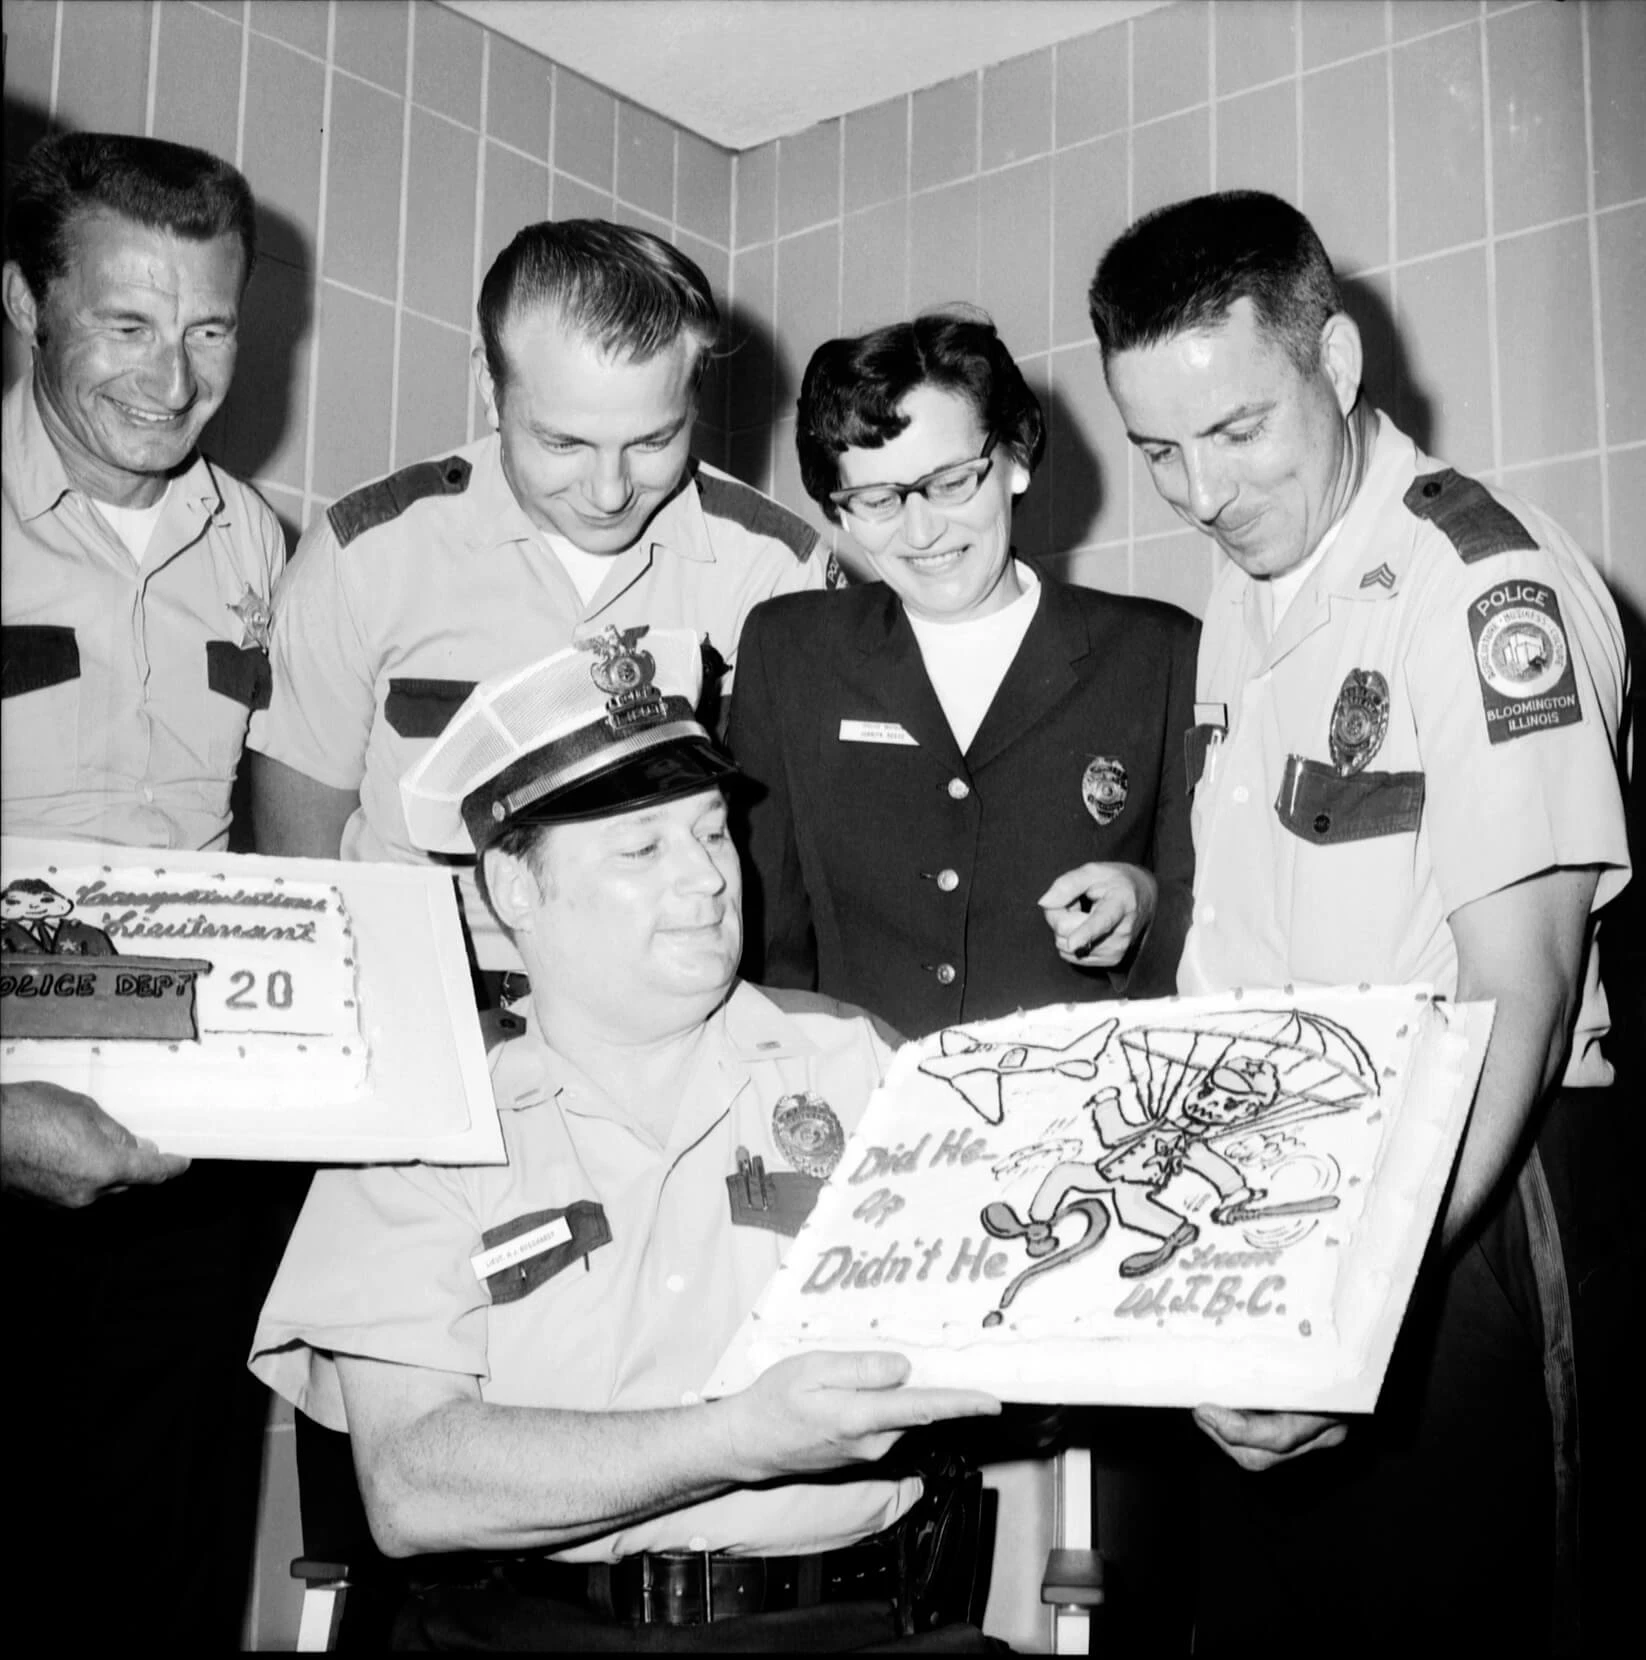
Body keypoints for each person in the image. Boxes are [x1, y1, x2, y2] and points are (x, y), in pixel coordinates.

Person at [1087, 189, 1632, 1652]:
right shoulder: (1247, 588)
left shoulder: (1479, 586)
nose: (1200, 493)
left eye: (1235, 430)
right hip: (1271, 1209)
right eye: (1157, 449)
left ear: (1332, 362)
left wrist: (1357, 1300)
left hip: (1460, 1209)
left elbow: (1518, 994)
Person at [251, 626, 1005, 1651]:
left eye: (711, 833)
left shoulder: (864, 1069)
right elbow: (411, 1482)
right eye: (642, 849)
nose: (708, 878)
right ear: (514, 888)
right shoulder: (429, 1126)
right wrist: (737, 1439)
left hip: (849, 1625)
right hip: (526, 1634)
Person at [249, 219, 832, 989]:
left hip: (670, 1011)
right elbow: (301, 855)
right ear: (490, 388)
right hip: (417, 992)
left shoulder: (775, 569)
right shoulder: (364, 554)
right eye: (564, 444)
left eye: (653, 441)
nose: (609, 491)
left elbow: (795, 872)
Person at [1, 131, 286, 1646]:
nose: (172, 381)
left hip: (188, 1164)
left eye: (210, 330)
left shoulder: (260, 546)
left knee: (159, 1569)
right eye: (126, 322)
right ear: (23, 299)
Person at [729, 310, 1199, 1039]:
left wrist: (1147, 906)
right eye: (877, 500)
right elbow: (768, 945)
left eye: (951, 483)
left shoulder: (1158, 654)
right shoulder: (790, 651)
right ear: (840, 513)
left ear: (1015, 458)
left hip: (1080, 1097)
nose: (922, 532)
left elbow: (1215, 923)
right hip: (862, 1098)